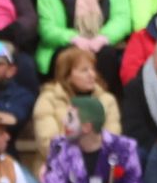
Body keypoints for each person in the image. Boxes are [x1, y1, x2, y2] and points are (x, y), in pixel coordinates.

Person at [34, 0, 130, 82]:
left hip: (103, 44)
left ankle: (103, 97)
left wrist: (102, 38)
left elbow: (122, 18)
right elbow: (47, 28)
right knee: (71, 55)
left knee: (107, 53)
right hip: (64, 45)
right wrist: (75, 39)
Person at [31, 47, 121, 176]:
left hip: (98, 165)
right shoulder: (48, 99)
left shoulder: (107, 100)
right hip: (58, 166)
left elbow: (112, 139)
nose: (92, 75)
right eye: (84, 70)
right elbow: (48, 144)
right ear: (67, 75)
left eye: (93, 69)